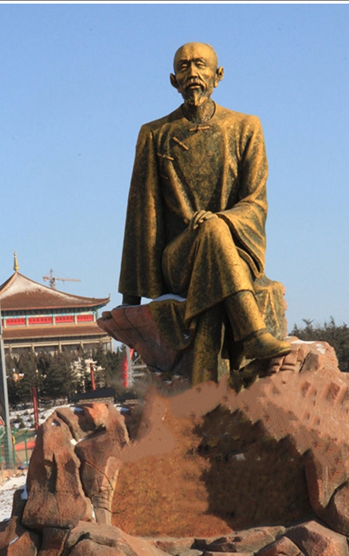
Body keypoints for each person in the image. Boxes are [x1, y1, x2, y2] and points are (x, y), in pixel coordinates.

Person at [118, 42, 291, 384]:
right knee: (211, 235)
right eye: (184, 67)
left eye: (200, 65)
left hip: (236, 247)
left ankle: (209, 392)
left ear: (218, 75)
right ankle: (253, 333)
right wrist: (131, 301)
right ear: (173, 80)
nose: (193, 73)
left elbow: (255, 201)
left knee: (214, 234)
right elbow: (142, 214)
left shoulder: (245, 127)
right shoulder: (155, 134)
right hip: (180, 259)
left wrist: (220, 220)